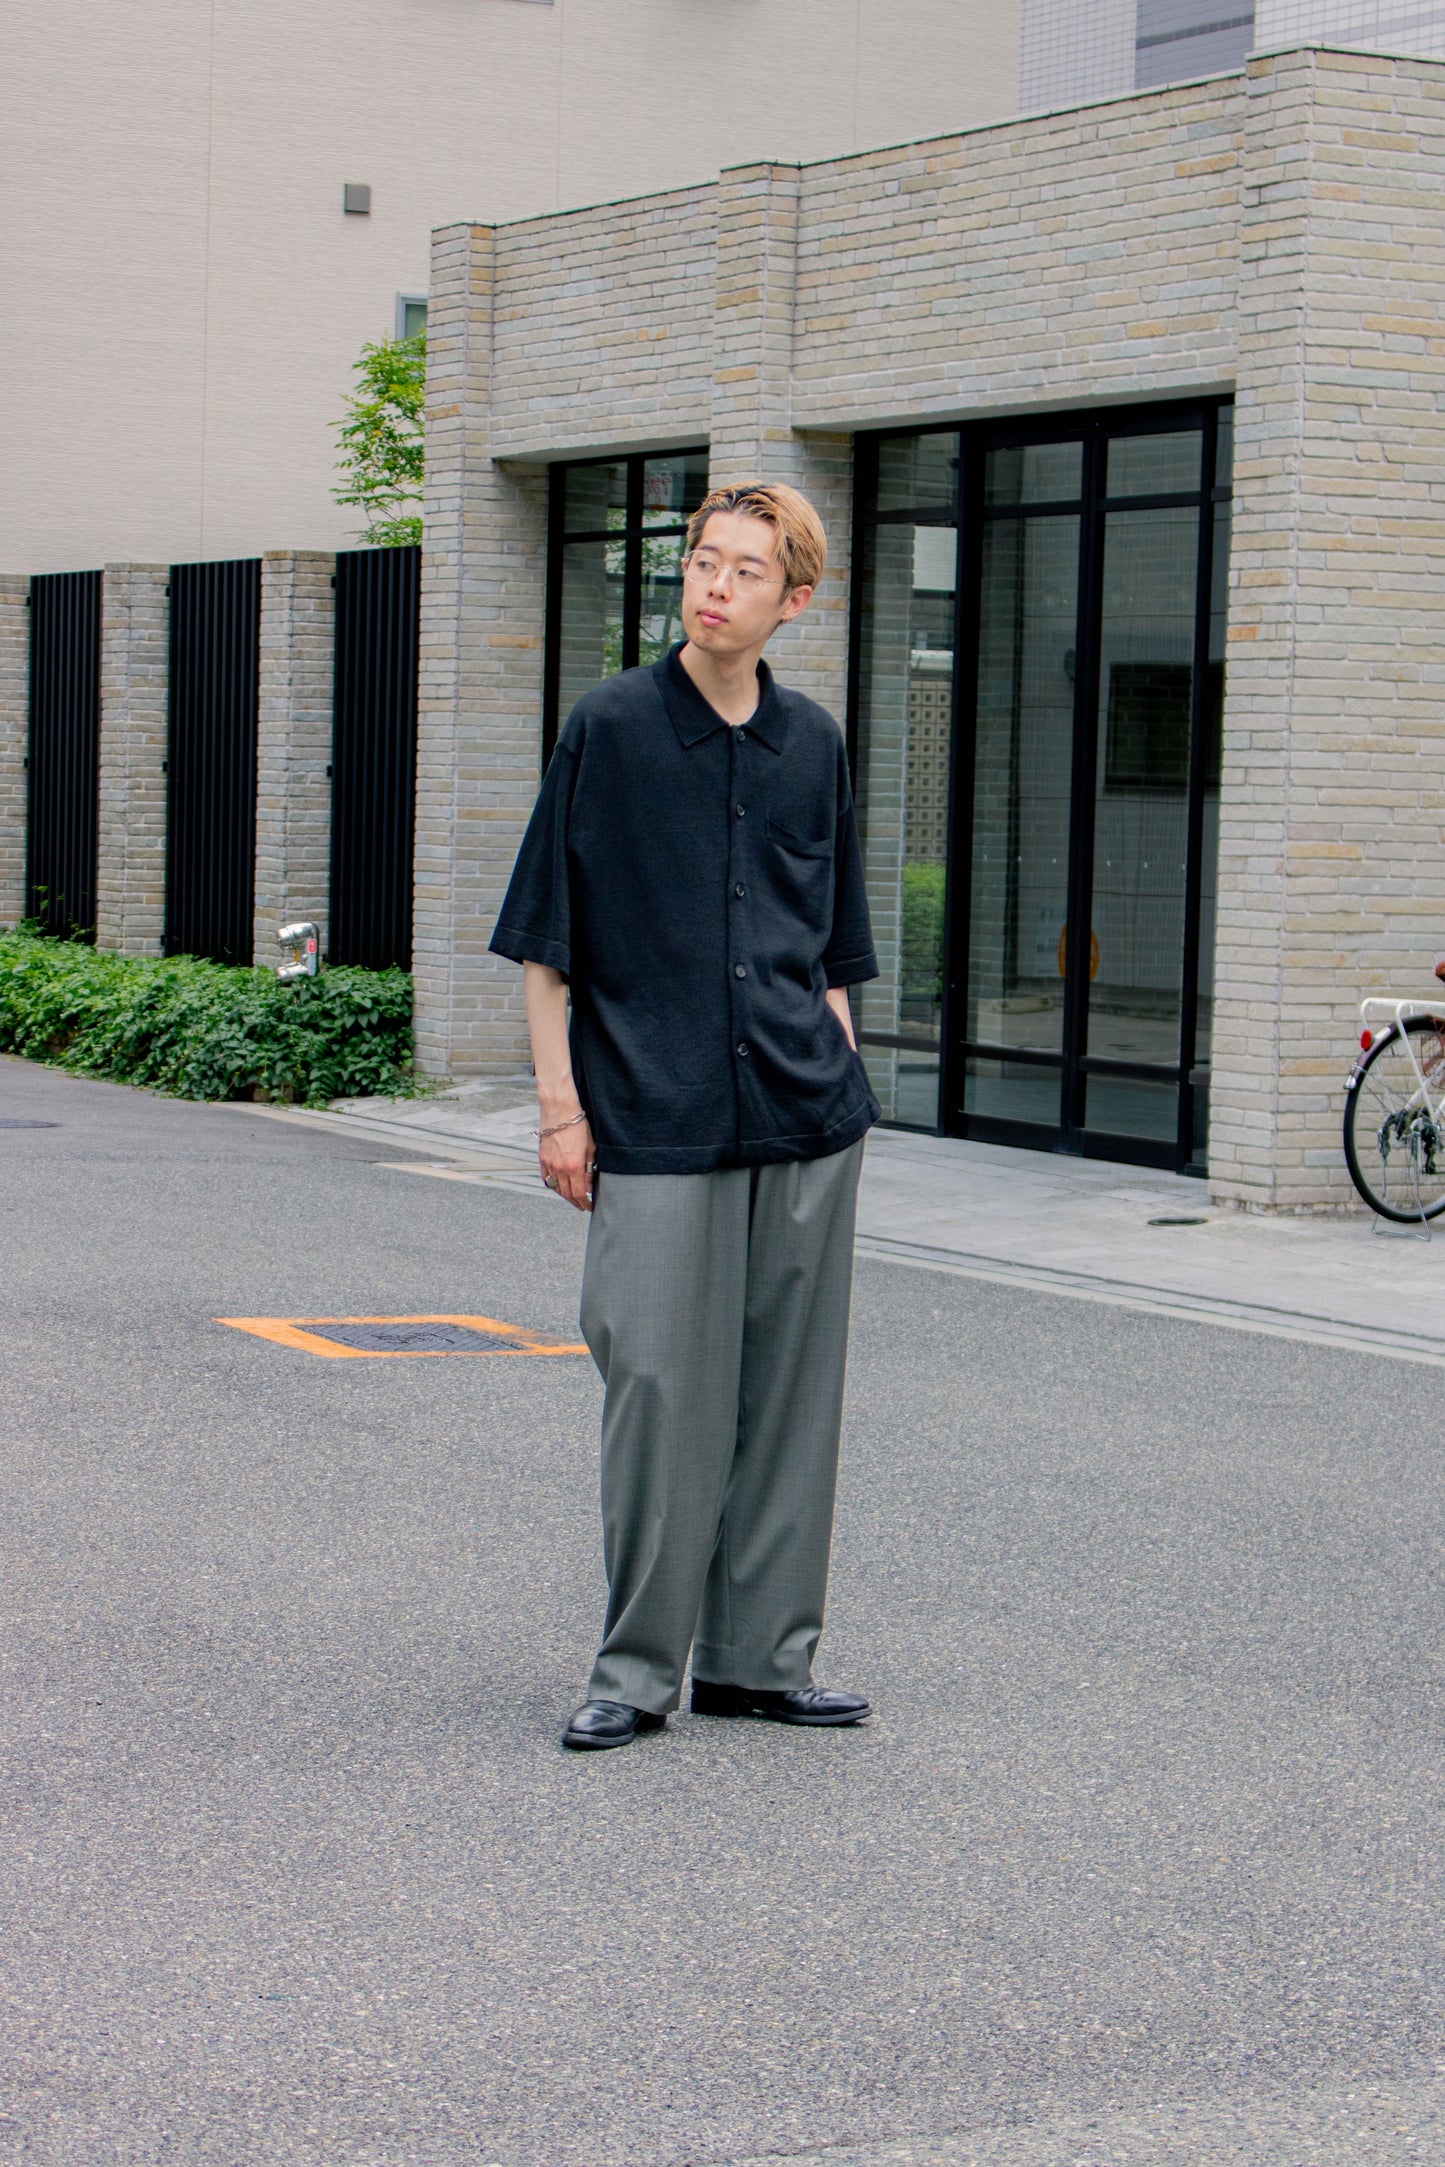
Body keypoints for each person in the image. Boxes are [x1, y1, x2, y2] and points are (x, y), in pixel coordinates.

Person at [490, 481, 881, 1750]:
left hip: (802, 1118)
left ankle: (761, 1661)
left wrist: (840, 1075)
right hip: (652, 1114)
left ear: (793, 600)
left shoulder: (812, 743)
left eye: (743, 571)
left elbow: (831, 943)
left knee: (788, 1401)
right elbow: (546, 940)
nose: (713, 586)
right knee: (658, 1389)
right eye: (702, 561)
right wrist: (560, 1110)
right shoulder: (609, 726)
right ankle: (635, 1670)